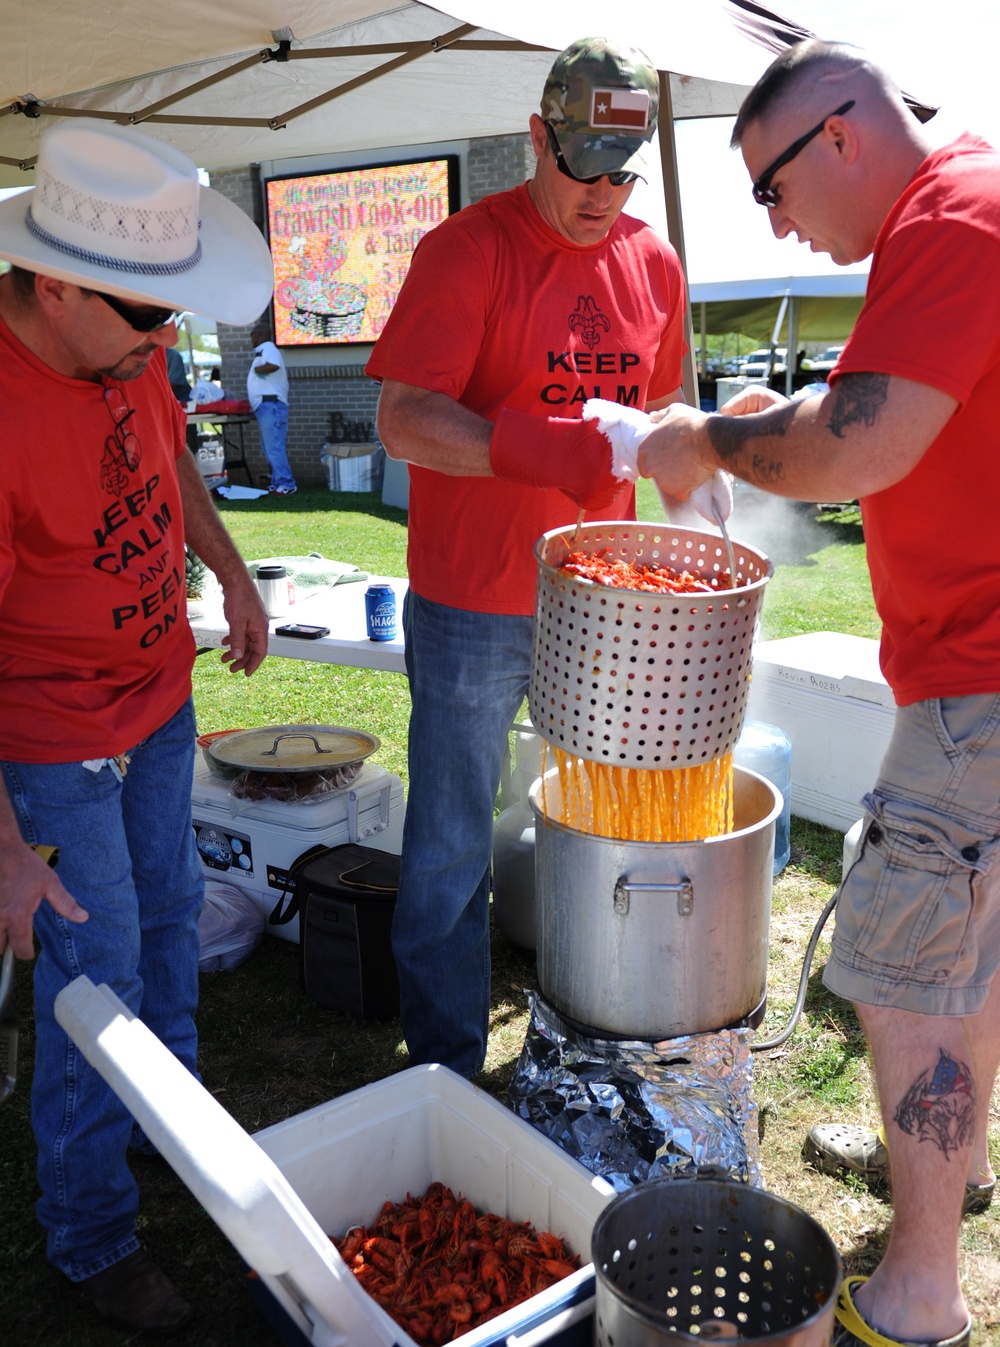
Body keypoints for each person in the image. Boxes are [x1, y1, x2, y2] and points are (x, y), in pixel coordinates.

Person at [637, 39, 1000, 1347]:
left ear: (838, 135)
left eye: (772, 190)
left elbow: (863, 440)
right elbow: (890, 408)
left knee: (905, 980)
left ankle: (915, 1292)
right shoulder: (952, 213)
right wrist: (774, 411)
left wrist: (704, 437)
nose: (777, 223)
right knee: (963, 967)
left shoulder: (953, 214)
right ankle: (944, 1188)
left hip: (980, 687)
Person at [365, 36, 688, 1078]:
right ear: (535, 138)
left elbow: (667, 409)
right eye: (580, 163)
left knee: (608, 821)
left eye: (621, 169)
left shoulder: (653, 262)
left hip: (603, 596)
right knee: (454, 837)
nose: (601, 192)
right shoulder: (467, 250)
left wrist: (695, 466)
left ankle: (597, 1035)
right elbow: (404, 420)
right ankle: (446, 1066)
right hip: (472, 599)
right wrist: (536, 444)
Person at [0, 117, 273, 1334]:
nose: (167, 343)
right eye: (146, 320)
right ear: (54, 285)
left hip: (158, 699)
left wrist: (234, 577)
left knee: (171, 917)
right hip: (50, 742)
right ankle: (93, 1235)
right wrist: (4, 847)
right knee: (92, 975)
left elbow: (174, 470)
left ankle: (177, 1129)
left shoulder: (129, 355)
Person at [247, 322, 296, 494]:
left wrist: (257, 370)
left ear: (259, 335)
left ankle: (287, 484)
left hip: (271, 405)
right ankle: (277, 482)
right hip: (266, 405)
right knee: (270, 446)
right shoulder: (264, 350)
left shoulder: (268, 347)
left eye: (252, 334)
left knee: (274, 446)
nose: (250, 338)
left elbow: (273, 365)